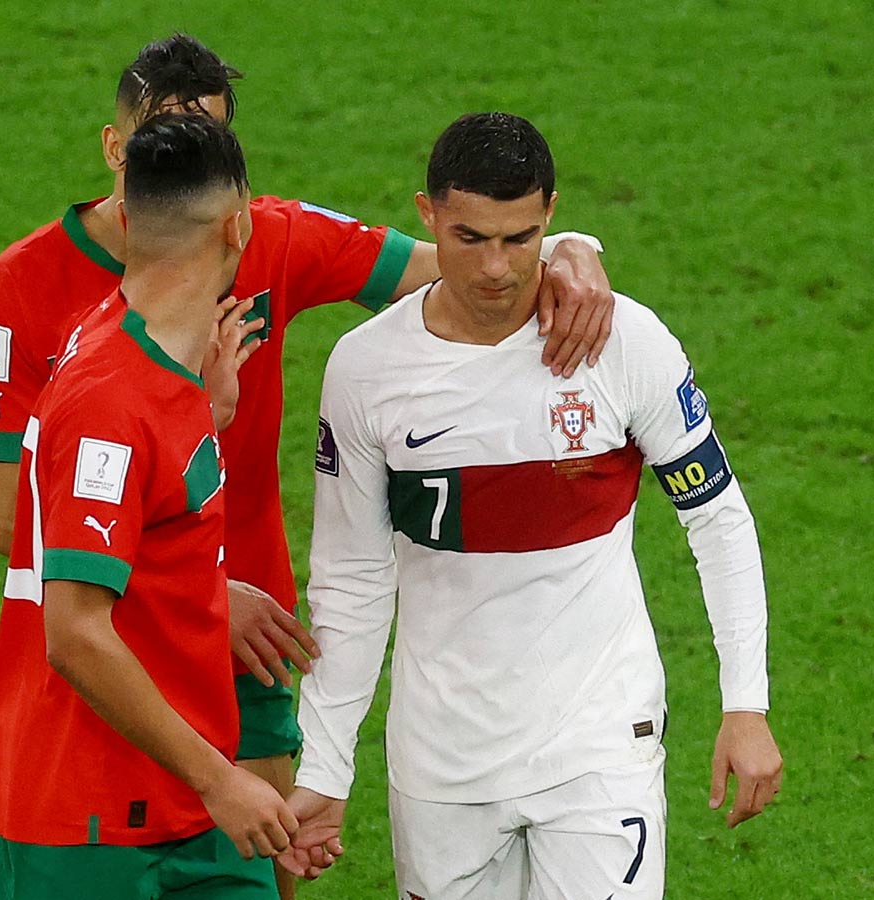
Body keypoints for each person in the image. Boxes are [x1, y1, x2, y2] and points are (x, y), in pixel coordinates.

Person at [0, 34, 613, 900]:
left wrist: (569, 247)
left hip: (213, 709)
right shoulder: (92, 367)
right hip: (87, 790)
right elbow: (67, 605)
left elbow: (465, 267)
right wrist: (209, 624)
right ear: (123, 154)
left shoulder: (148, 352)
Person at [284, 113, 783, 898]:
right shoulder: (366, 370)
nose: (495, 268)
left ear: (551, 214)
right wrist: (324, 764)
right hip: (442, 762)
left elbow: (716, 518)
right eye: (470, 237)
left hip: (599, 743)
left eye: (520, 239)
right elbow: (351, 580)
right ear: (427, 215)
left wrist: (745, 704)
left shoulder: (622, 344)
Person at [0, 113, 298, 898]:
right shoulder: (110, 399)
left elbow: (142, 513)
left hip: (181, 803)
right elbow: (76, 635)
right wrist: (222, 780)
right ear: (237, 226)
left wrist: (205, 414)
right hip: (86, 824)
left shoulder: (148, 353)